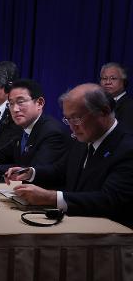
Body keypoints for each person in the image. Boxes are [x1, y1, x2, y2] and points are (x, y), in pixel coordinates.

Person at [7, 84, 133, 228]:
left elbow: (109, 200)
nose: (72, 126)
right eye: (68, 119)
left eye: (77, 118)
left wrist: (51, 198)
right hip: (75, 225)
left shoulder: (127, 148)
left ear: (103, 111)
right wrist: (30, 173)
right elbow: (61, 171)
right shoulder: (82, 139)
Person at [0, 79, 68, 181]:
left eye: (20, 102)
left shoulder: (52, 132)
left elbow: (34, 171)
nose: (15, 109)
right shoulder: (20, 128)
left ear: (39, 103)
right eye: (11, 103)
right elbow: (2, 154)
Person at [99, 62, 132, 130]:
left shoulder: (130, 105)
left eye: (113, 78)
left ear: (124, 82)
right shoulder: (96, 103)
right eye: (104, 78)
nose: (108, 82)